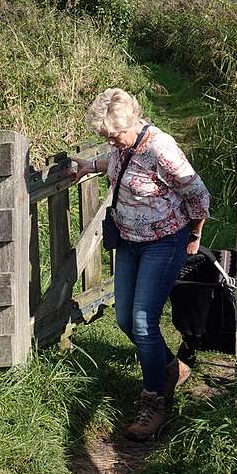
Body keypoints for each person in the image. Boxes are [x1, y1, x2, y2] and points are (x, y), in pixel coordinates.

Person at [71, 88, 211, 441]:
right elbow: (121, 166)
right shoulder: (124, 145)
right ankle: (172, 368)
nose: (109, 141)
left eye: (112, 135)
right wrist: (92, 165)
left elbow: (197, 192)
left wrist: (194, 232)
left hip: (164, 242)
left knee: (143, 321)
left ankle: (155, 402)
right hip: (129, 241)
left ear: (132, 121)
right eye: (105, 137)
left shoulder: (160, 148)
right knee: (123, 319)